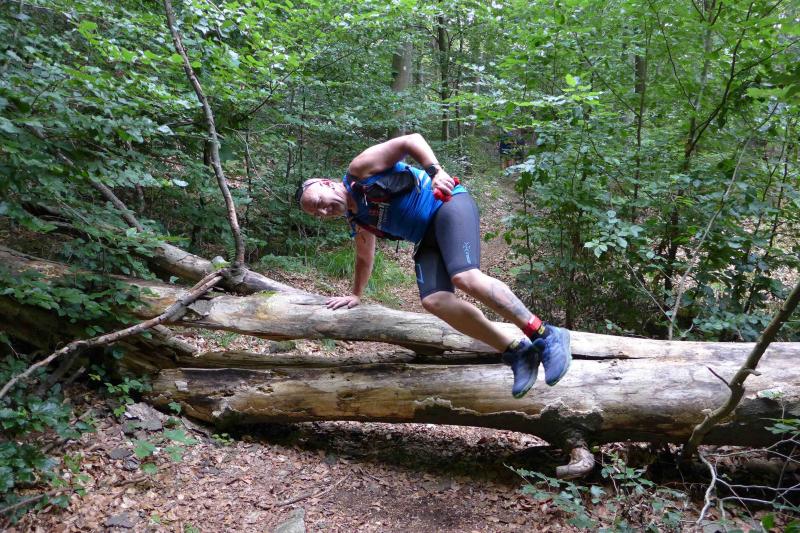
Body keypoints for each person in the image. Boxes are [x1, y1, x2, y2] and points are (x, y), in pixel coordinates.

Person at [295, 133, 571, 398]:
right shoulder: (357, 220)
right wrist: (356, 294)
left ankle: (545, 334)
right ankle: (517, 352)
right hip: (426, 236)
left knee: (465, 277)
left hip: (447, 204)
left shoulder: (360, 170)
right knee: (434, 301)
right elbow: (364, 258)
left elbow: (410, 140)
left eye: (319, 202)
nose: (323, 211)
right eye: (317, 213)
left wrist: (435, 172)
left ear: (327, 183)